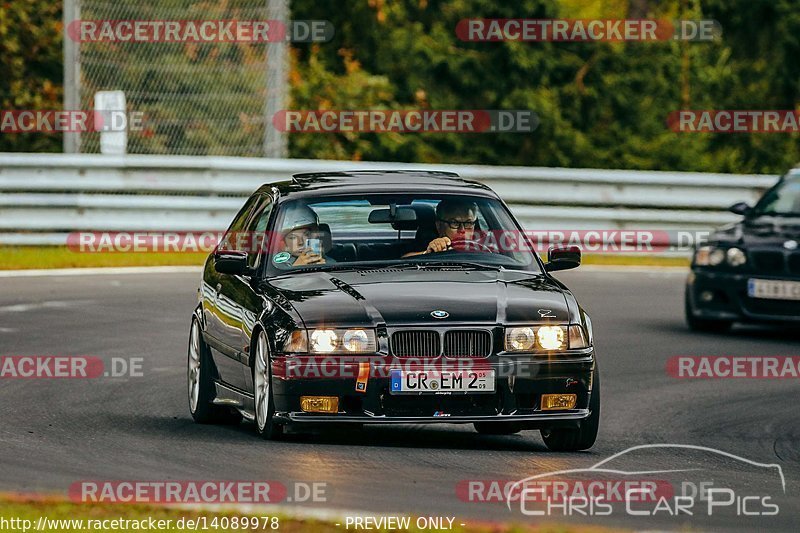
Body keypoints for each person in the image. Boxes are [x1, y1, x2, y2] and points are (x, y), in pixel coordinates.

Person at [403, 199, 480, 257]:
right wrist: (428, 253)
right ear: (439, 226)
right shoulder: (428, 246)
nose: (462, 230)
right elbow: (404, 260)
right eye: (454, 223)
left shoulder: (483, 246)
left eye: (468, 223)